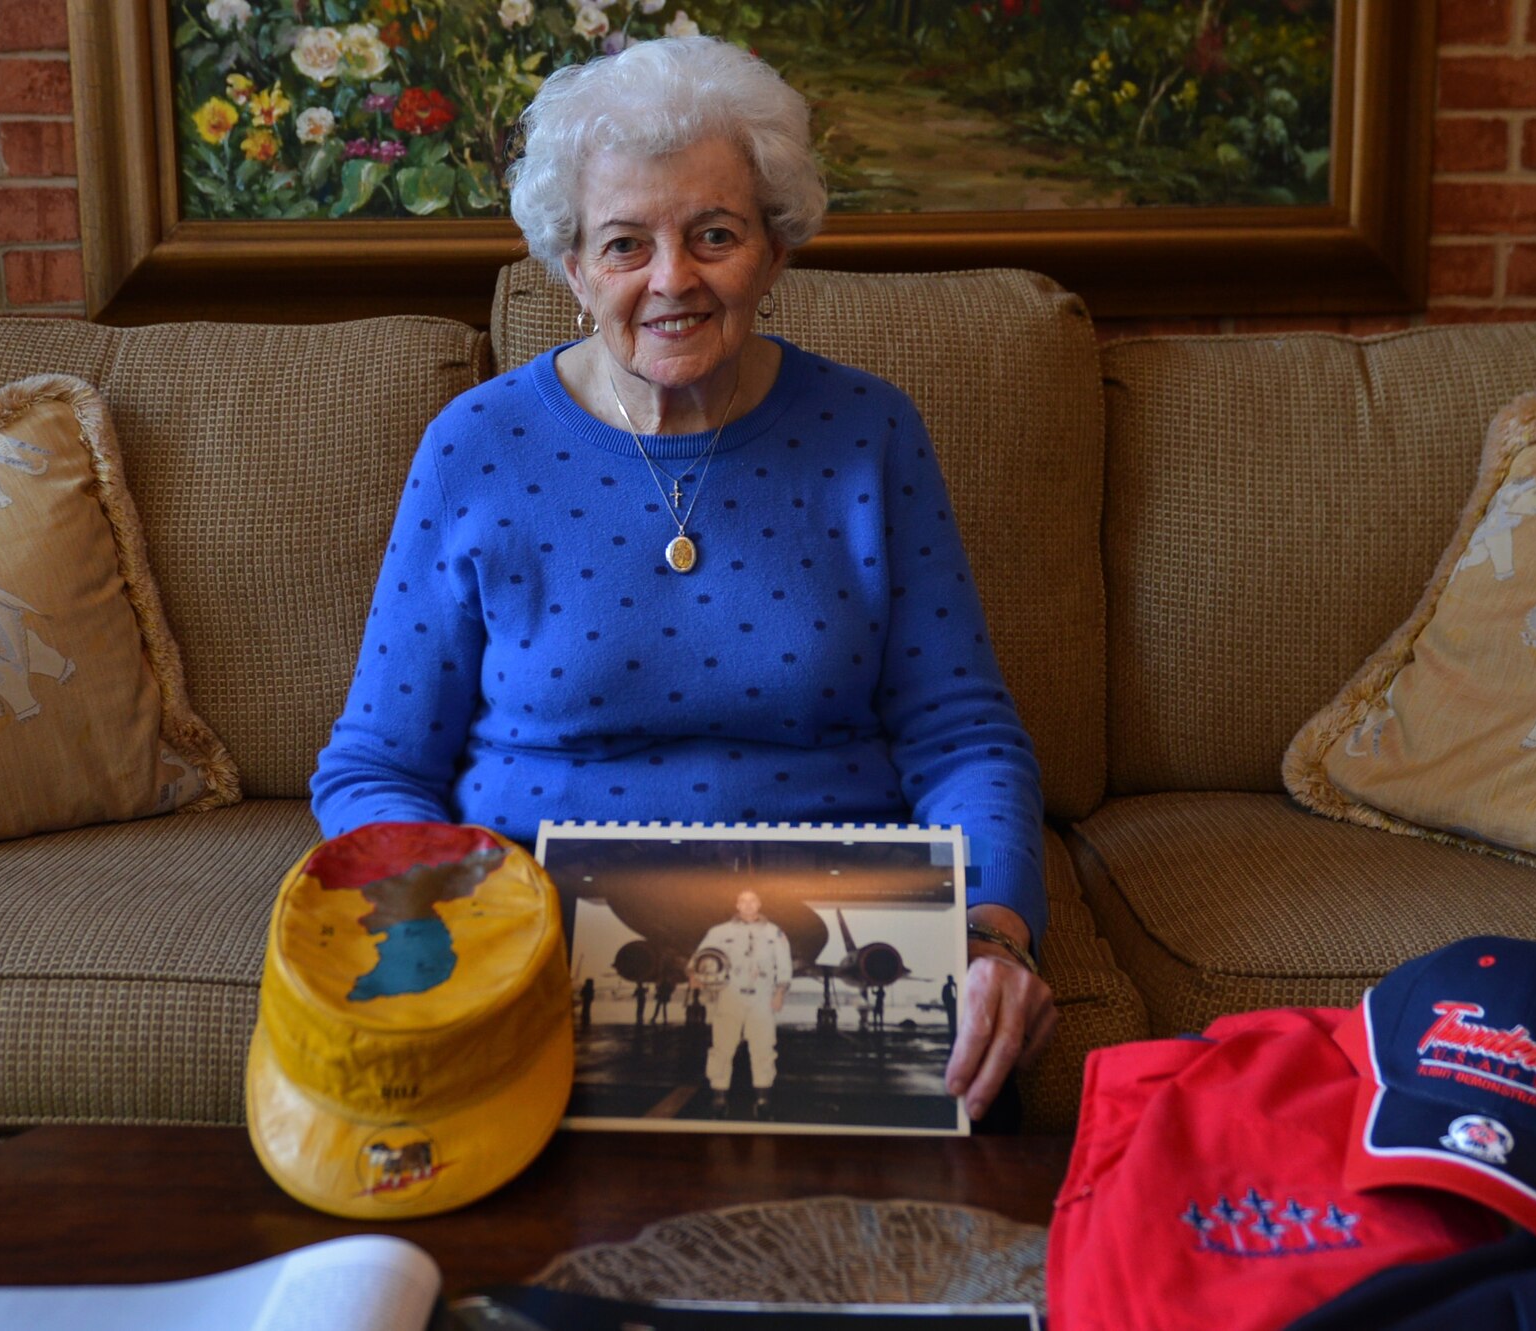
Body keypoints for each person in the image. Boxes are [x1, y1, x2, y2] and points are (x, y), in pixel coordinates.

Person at [309, 35, 1055, 1121]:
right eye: (624, 244)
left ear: (773, 249)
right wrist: (448, 926)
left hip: (831, 943)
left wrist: (990, 930)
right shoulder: (476, 446)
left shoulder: (867, 432)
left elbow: (964, 736)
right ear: (570, 267)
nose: (672, 280)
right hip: (534, 942)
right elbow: (373, 761)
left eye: (713, 233)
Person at [691, 889, 793, 1119]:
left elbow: (784, 965)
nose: (748, 905)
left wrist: (779, 994)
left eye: (752, 901)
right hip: (729, 995)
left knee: (764, 1048)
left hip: (762, 997)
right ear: (737, 905)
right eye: (743, 901)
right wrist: (696, 976)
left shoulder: (774, 933)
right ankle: (718, 1099)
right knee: (722, 1048)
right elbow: (700, 958)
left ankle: (763, 1099)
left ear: (759, 904)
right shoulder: (719, 932)